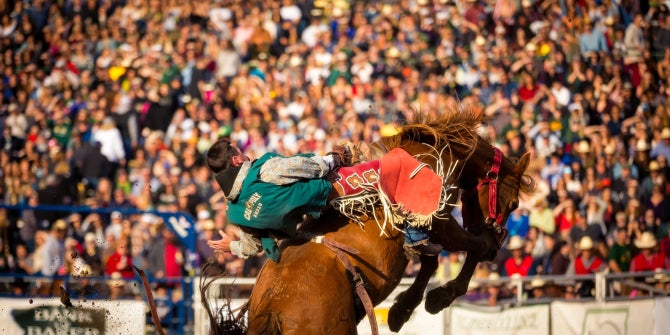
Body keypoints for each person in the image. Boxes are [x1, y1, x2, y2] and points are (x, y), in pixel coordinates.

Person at [206, 138, 442, 262]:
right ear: (237, 161)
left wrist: (231, 247)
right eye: (240, 150)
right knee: (395, 165)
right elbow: (310, 168)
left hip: (298, 230)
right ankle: (415, 237)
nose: (245, 153)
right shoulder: (264, 169)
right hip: (330, 192)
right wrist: (334, 158)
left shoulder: (234, 210)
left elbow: (252, 246)